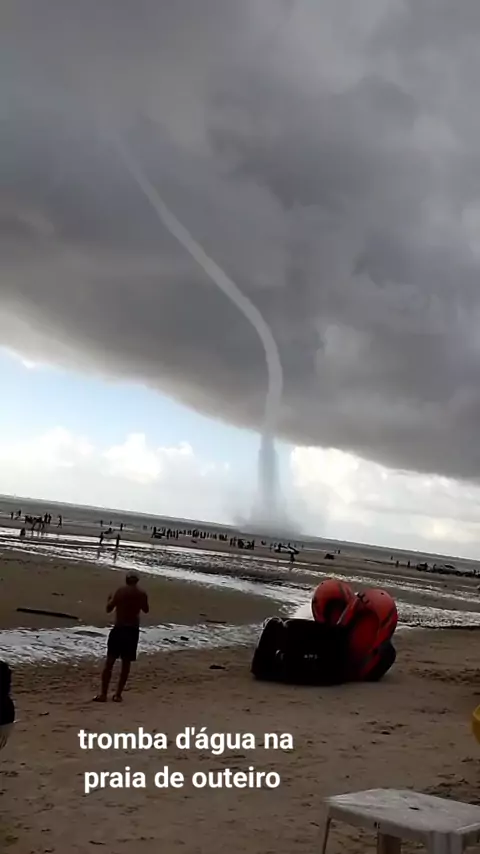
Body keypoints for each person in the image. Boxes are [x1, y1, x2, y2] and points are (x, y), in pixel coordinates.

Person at [93, 571, 149, 703]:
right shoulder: (142, 594)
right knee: (126, 663)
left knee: (110, 662)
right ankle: (118, 694)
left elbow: (109, 609)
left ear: (126, 580)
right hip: (132, 630)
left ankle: (103, 694)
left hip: (119, 628)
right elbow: (146, 609)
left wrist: (109, 599)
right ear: (137, 581)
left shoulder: (120, 591)